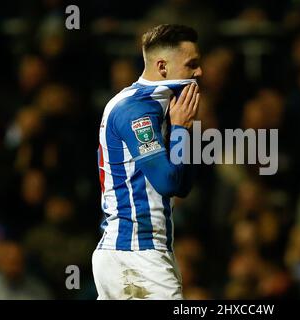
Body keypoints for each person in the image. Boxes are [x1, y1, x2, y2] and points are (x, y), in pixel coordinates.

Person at [92, 24, 202, 300]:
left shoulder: (162, 108)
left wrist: (184, 129)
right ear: (163, 66)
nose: (199, 73)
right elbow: (166, 182)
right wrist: (180, 130)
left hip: (139, 253)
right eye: (192, 65)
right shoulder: (136, 110)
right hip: (136, 254)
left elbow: (182, 186)